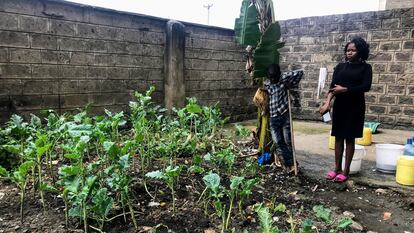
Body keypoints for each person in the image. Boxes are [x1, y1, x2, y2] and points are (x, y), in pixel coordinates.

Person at [319, 37, 372, 182]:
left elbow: (365, 87)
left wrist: (345, 89)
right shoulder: (340, 67)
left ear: (360, 51)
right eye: (348, 50)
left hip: (355, 107)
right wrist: (327, 103)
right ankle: (336, 168)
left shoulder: (366, 68)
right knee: (338, 137)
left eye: (353, 50)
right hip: (340, 106)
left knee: (349, 138)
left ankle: (346, 171)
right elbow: (333, 87)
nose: (349, 53)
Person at [264, 64, 304, 173]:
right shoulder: (267, 84)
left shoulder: (283, 80)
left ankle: (292, 165)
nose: (272, 79)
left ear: (279, 75)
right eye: (270, 77)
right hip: (273, 117)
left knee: (287, 141)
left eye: (274, 76)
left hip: (284, 114)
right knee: (277, 141)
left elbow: (300, 72)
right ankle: (291, 163)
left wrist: (285, 78)